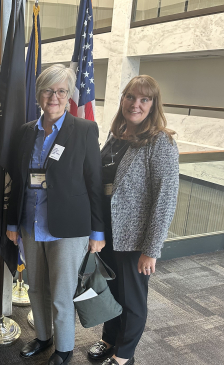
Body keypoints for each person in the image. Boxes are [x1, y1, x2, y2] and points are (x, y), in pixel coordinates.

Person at [6, 64, 105, 365]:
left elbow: (95, 182)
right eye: (49, 90)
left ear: (68, 96)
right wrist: (12, 222)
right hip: (31, 223)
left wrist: (97, 232)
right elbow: (17, 179)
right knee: (36, 286)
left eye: (61, 91)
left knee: (61, 293)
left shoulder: (84, 129)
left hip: (68, 228)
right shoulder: (26, 132)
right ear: (39, 94)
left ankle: (63, 348)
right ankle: (43, 337)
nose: (55, 97)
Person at [87, 75, 179, 365]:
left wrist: (151, 249)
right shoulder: (117, 135)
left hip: (135, 237)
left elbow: (165, 199)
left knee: (133, 298)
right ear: (122, 99)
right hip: (108, 232)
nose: (135, 104)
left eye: (144, 99)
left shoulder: (160, 141)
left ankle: (124, 353)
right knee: (112, 289)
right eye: (130, 97)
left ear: (153, 105)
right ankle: (109, 339)